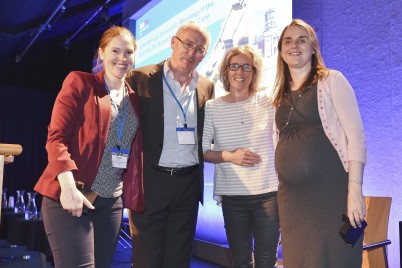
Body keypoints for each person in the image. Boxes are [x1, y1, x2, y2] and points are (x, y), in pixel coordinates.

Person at [34, 26, 144, 268]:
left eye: (128, 52)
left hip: (111, 202)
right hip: (72, 193)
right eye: (115, 50)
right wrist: (68, 186)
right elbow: (57, 138)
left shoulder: (133, 98)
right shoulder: (80, 83)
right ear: (101, 53)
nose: (122, 58)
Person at [272, 19, 367, 267]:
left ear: (313, 47)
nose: (295, 45)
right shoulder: (279, 94)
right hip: (292, 201)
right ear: (281, 51)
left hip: (331, 195)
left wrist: (355, 191)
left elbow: (356, 136)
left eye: (302, 40)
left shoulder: (332, 81)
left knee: (335, 259)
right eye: (288, 41)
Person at [125, 21, 214, 268]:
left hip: (187, 185)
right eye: (188, 44)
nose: (192, 52)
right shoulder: (139, 77)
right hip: (151, 182)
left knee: (179, 259)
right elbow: (123, 131)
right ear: (173, 43)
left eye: (200, 49)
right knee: (148, 258)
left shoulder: (207, 86)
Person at [202, 45, 279, 268]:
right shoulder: (213, 107)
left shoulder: (267, 101)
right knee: (240, 261)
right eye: (234, 66)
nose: (240, 72)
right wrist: (229, 156)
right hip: (233, 197)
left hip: (267, 194)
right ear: (226, 71)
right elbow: (203, 151)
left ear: (254, 73)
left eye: (247, 67)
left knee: (266, 261)